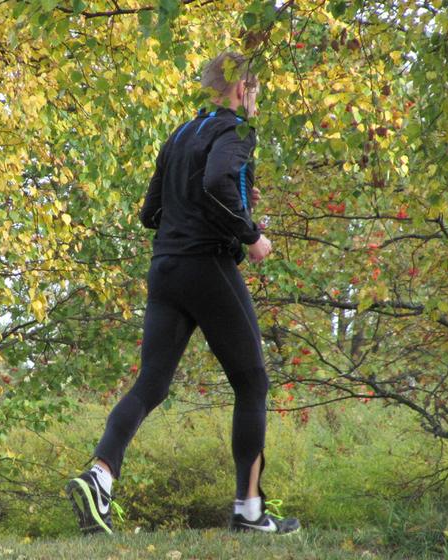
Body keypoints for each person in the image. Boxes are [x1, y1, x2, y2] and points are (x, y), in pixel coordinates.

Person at [65, 51, 300, 535]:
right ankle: (249, 511)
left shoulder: (178, 134)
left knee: (150, 384)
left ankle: (100, 476)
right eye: (254, 93)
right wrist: (251, 234)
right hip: (204, 265)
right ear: (240, 90)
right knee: (252, 383)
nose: (255, 102)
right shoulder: (236, 130)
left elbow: (151, 211)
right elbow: (216, 181)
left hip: (165, 269)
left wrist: (223, 202)